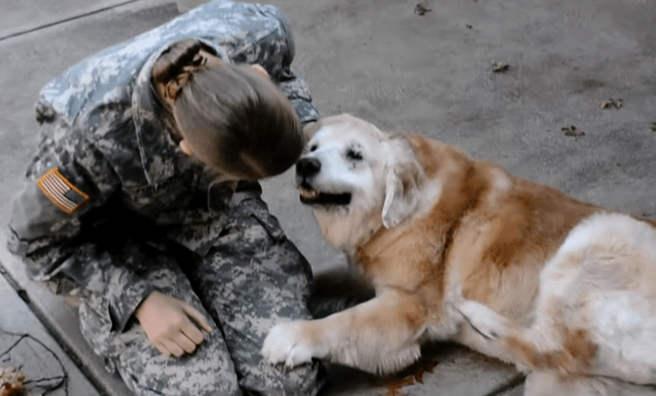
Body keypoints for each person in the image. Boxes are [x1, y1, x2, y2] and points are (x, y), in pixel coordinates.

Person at [6, 1, 324, 395]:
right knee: (205, 392)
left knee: (288, 380)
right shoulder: (82, 143)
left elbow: (286, 78)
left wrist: (314, 130)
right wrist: (137, 300)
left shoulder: (258, 34)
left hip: (216, 209)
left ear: (256, 73)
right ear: (187, 149)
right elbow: (32, 241)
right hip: (120, 243)